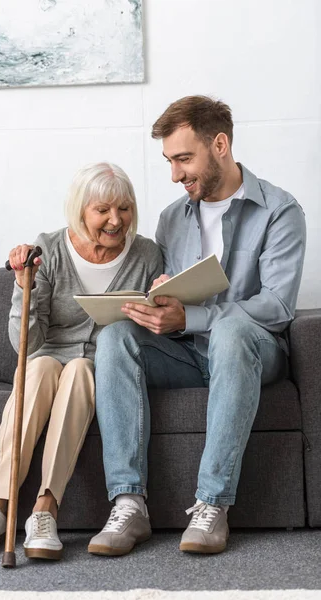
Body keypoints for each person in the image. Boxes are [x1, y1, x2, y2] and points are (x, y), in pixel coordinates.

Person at [88, 96, 306, 557]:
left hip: (254, 351)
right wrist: (162, 301)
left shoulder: (280, 211)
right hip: (187, 352)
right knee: (115, 337)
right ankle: (128, 503)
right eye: (169, 161)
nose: (175, 174)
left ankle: (212, 503)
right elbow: (171, 298)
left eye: (184, 159)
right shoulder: (172, 218)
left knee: (229, 333)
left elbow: (278, 306)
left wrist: (197, 316)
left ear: (220, 144)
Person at [0, 162, 163, 560]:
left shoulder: (146, 255)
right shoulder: (48, 249)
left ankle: (45, 510)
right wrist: (24, 289)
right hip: (47, 355)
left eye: (123, 209)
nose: (115, 219)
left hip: (100, 365)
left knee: (79, 371)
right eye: (103, 209)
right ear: (80, 210)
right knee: (39, 367)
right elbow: (28, 343)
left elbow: (151, 328)